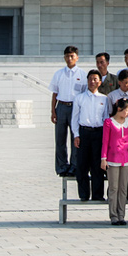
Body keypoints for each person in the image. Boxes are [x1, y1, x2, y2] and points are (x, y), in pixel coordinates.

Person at [71, 69, 110, 201]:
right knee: (82, 165)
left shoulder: (104, 99)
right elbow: (74, 118)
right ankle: (83, 194)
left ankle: (98, 195)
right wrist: (76, 135)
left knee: (97, 165)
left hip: (99, 133)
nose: (92, 82)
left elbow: (106, 119)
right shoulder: (79, 98)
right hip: (84, 133)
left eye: (95, 79)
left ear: (99, 82)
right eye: (90, 79)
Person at [50, 46, 85, 176]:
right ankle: (61, 166)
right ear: (64, 57)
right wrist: (53, 111)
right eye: (67, 56)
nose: (69, 59)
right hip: (61, 107)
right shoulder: (58, 74)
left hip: (76, 108)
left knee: (75, 137)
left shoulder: (82, 74)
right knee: (60, 138)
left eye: (72, 56)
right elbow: (54, 93)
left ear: (77, 57)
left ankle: (74, 166)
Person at [101, 99, 128, 225]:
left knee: (123, 188)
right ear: (119, 109)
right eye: (126, 110)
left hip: (126, 158)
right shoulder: (109, 122)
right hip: (112, 158)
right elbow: (105, 141)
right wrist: (103, 158)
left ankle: (122, 215)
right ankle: (113, 215)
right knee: (113, 188)